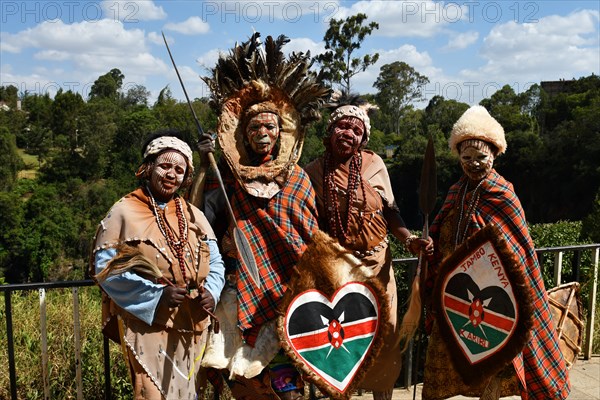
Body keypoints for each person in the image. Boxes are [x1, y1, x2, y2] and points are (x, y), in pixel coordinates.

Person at [195, 33, 330, 400]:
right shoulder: (228, 179)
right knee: (245, 377)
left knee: (290, 382)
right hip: (244, 284)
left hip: (290, 287)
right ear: (244, 134)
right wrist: (206, 168)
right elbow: (201, 218)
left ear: (280, 132)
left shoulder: (298, 177)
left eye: (269, 126)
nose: (262, 133)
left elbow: (309, 232)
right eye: (254, 128)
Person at [422, 105, 570, 400]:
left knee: (492, 367)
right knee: (443, 364)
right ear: (458, 158)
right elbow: (439, 234)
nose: (474, 164)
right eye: (467, 158)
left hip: (495, 299)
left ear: (495, 155)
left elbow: (520, 249)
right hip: (455, 296)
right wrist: (428, 245)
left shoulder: (503, 192)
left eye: (481, 158)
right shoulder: (455, 191)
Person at [304, 94, 433, 400]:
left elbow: (390, 211)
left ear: (363, 138)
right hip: (337, 271)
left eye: (356, 129)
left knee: (383, 339)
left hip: (379, 266)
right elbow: (307, 222)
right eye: (342, 126)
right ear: (330, 131)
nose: (348, 133)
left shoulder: (375, 164)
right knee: (341, 340)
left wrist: (409, 239)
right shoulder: (312, 172)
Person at [90, 130, 226, 400]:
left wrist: (211, 291)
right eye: (164, 166)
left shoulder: (193, 214)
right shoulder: (124, 211)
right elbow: (105, 269)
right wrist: (157, 295)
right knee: (152, 393)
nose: (171, 174)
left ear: (186, 177)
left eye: (179, 169)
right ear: (148, 168)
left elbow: (216, 260)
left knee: (190, 393)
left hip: (192, 323)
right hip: (147, 325)